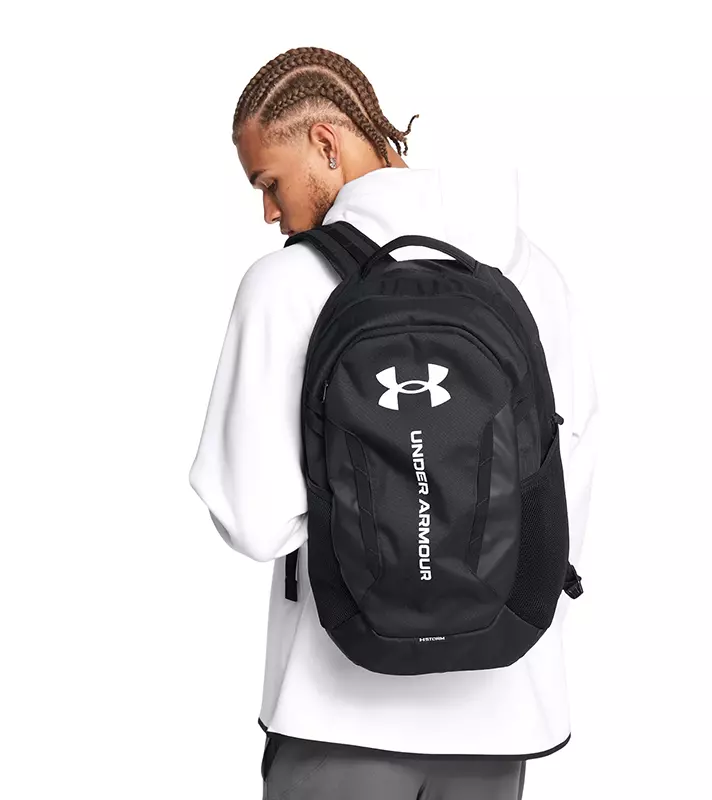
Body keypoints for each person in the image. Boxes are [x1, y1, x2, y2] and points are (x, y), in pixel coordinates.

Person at [189, 45, 600, 800]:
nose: (270, 212)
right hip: (502, 710)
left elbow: (253, 522)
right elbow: (568, 483)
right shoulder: (532, 270)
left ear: (325, 142)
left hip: (335, 710)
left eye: (269, 182)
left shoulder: (284, 284)